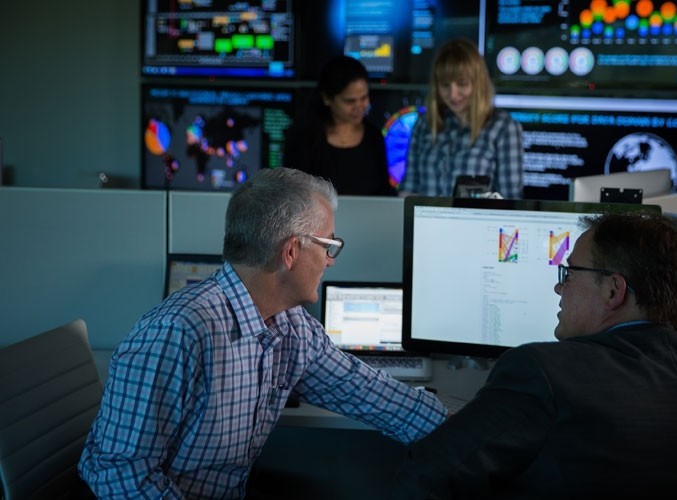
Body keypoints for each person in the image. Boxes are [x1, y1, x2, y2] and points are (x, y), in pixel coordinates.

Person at [78, 167, 446, 498]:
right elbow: (120, 475)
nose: (331, 260)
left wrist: (486, 423)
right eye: (329, 245)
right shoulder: (177, 333)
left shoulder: (291, 326)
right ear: (290, 252)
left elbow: (373, 396)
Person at [390, 212, 677, 499]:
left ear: (613, 291)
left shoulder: (543, 372)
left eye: (570, 274)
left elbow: (428, 473)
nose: (560, 289)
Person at [398, 38, 524, 199]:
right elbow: (409, 189)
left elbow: (511, 200)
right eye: (445, 85)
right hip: (426, 223)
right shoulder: (424, 124)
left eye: (462, 84)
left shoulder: (503, 128)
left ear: (478, 83)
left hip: (479, 224)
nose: (453, 94)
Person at [283, 55, 396, 196]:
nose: (360, 106)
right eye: (350, 101)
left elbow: (383, 192)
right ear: (327, 98)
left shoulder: (374, 138)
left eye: (364, 98)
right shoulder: (303, 139)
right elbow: (291, 194)